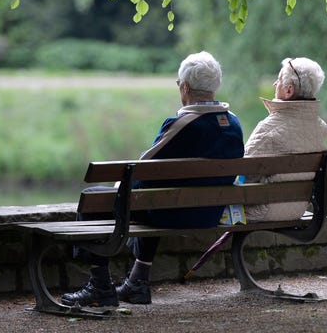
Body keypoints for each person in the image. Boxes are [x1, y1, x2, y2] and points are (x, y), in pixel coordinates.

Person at [61, 51, 244, 307]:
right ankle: (138, 281)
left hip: (175, 213)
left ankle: (100, 285)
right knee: (156, 194)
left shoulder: (183, 124)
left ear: (186, 87)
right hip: (209, 213)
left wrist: (120, 190)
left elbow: (141, 168)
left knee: (97, 198)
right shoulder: (233, 124)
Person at [244, 57, 327, 222]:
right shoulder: (322, 128)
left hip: (262, 210)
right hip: (297, 210)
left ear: (289, 91)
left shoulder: (269, 128)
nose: (275, 84)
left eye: (279, 79)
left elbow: (243, 173)